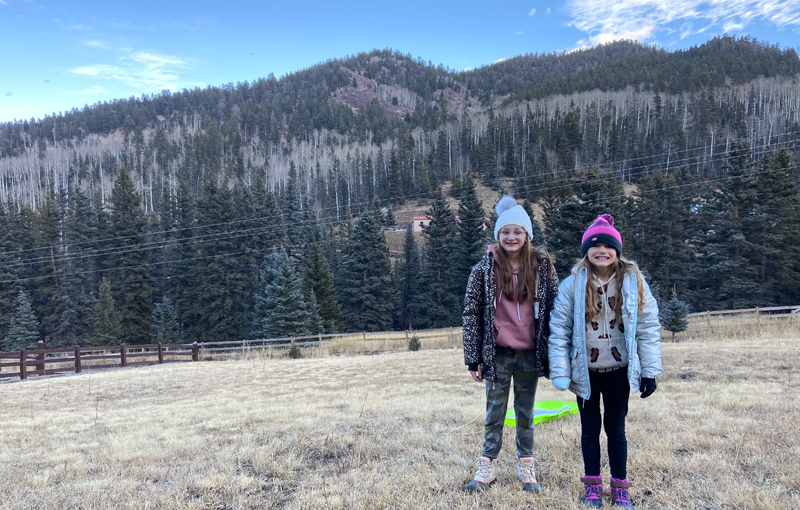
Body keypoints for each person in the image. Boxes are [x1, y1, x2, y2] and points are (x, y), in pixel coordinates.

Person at [548, 214, 662, 509]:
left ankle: (620, 487)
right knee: (589, 430)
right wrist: (561, 370)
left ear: (617, 250)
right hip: (585, 372)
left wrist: (649, 371)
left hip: (619, 370)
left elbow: (648, 326)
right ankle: (592, 487)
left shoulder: (633, 279)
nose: (602, 251)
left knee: (616, 428)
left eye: (608, 246)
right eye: (595, 245)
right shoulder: (573, 284)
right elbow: (559, 328)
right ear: (586, 250)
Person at [462, 196, 559, 493]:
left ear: (527, 234)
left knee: (526, 412)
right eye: (505, 232)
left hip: (530, 352)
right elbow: (472, 312)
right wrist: (472, 357)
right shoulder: (483, 269)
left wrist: (555, 354)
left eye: (517, 231)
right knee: (494, 412)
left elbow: (556, 310)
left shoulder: (543, 268)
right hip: (498, 353)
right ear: (498, 235)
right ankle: (487, 466)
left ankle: (526, 466)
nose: (511, 237)